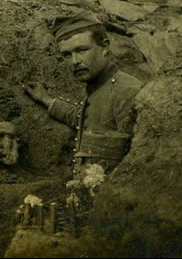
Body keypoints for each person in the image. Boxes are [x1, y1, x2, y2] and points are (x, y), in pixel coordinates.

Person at [23, 11, 144, 175]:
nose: (75, 61)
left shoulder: (127, 91)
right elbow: (85, 118)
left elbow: (140, 160)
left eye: (82, 50)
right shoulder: (99, 88)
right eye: (67, 54)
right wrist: (46, 100)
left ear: (105, 47)